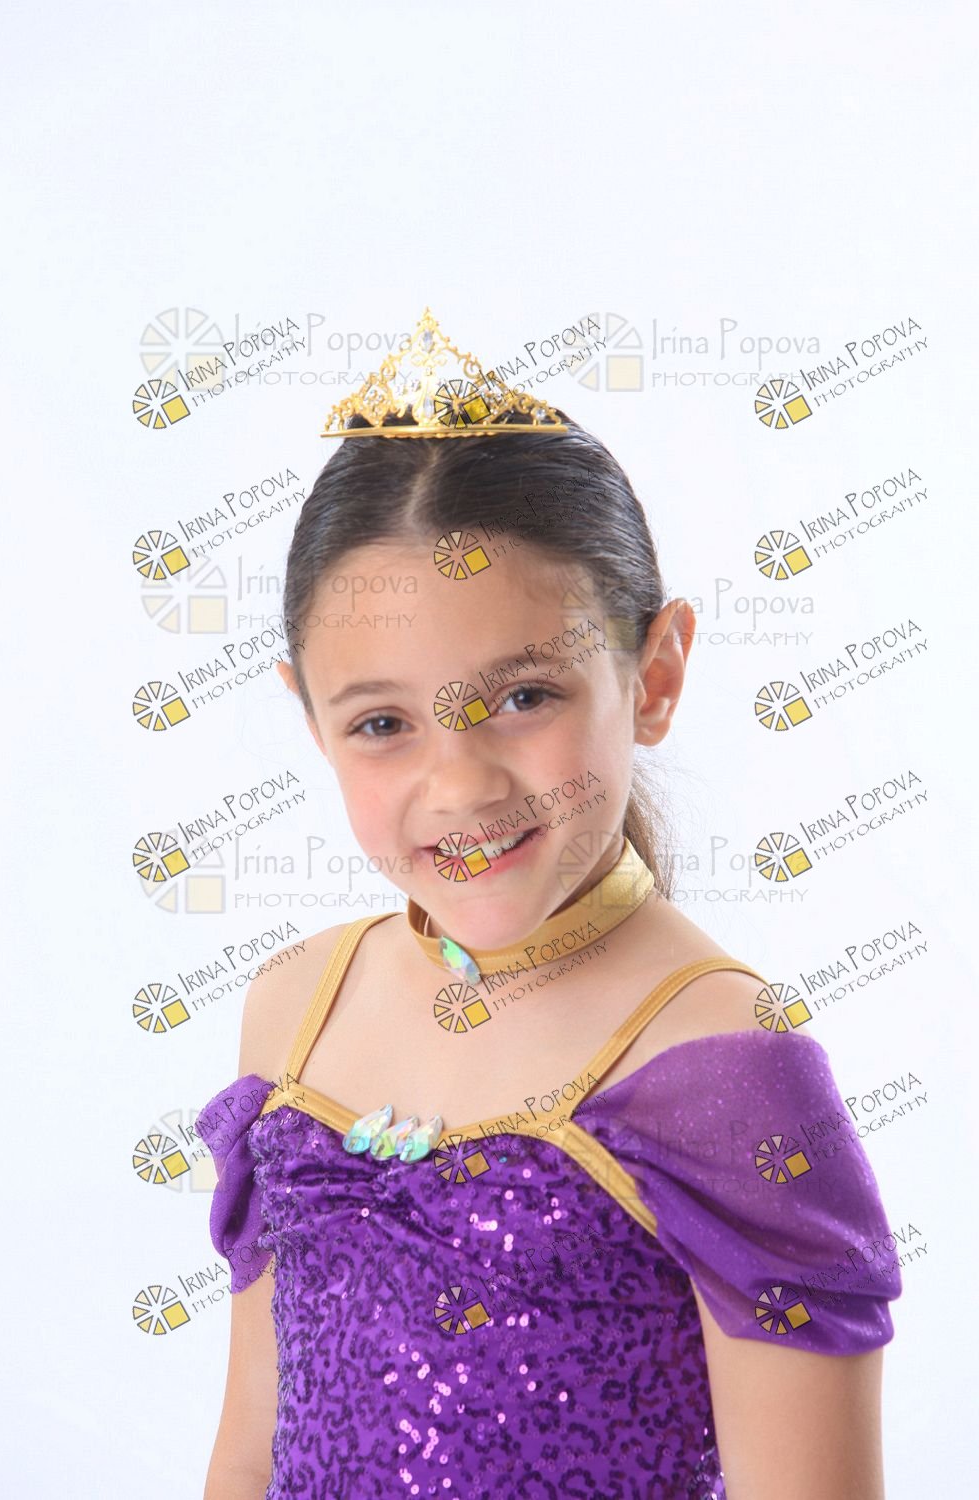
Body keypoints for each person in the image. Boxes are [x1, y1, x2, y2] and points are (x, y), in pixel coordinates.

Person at [195, 311, 901, 1500]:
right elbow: (246, 1450)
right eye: (382, 723)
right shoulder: (296, 1005)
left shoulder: (722, 1065)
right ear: (308, 715)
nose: (461, 785)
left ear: (653, 676)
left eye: (524, 696)